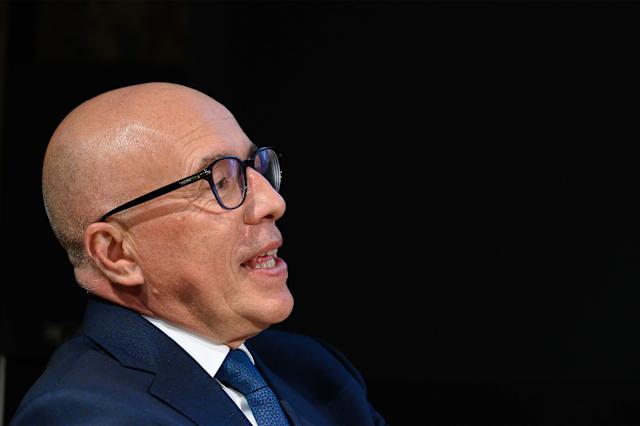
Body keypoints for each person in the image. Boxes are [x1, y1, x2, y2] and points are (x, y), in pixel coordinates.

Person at [10, 82, 386, 426]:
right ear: (117, 253)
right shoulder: (82, 414)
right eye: (219, 180)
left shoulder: (317, 373)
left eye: (255, 168)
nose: (273, 202)